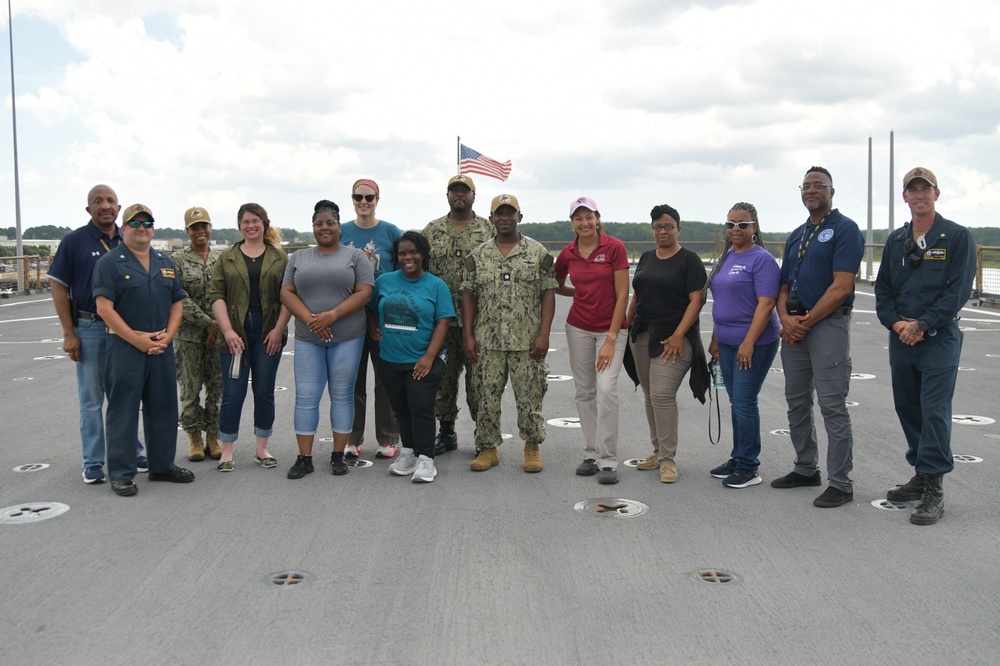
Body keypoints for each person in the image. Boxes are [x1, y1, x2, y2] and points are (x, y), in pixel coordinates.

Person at [875, 167, 976, 525]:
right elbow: (883, 292)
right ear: (905, 196)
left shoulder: (957, 237)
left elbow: (959, 290)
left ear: (936, 194)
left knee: (934, 410)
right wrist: (900, 323)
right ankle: (921, 472)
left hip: (938, 338)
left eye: (925, 189)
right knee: (908, 407)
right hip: (902, 338)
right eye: (912, 190)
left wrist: (924, 323)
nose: (919, 195)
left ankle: (934, 486)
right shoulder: (895, 240)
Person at [772, 166, 864, 508]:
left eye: (818, 186)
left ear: (831, 191)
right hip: (794, 327)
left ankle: (841, 482)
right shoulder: (797, 233)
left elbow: (841, 286)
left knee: (832, 405)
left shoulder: (845, 229)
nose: (811, 190)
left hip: (826, 326)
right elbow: (782, 286)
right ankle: (805, 467)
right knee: (796, 401)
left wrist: (805, 321)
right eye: (806, 185)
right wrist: (784, 317)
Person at [92, 203, 195, 496]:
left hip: (161, 346)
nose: (142, 228)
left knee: (163, 406)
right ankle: (122, 473)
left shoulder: (165, 261)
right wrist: (137, 340)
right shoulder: (110, 263)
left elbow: (177, 301)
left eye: (147, 223)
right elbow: (104, 308)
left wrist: (168, 336)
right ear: (123, 229)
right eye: (135, 224)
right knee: (123, 410)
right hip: (126, 346)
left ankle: (162, 466)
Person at [48, 184, 146, 484]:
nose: (105, 205)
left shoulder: (127, 240)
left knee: (126, 395)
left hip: (123, 329)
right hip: (89, 327)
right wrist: (69, 333)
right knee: (91, 398)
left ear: (119, 209)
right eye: (98, 201)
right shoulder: (74, 242)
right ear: (88, 209)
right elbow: (58, 286)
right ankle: (92, 460)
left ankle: (132, 450)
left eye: (111, 201)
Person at [461, 194, 557, 473]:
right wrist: (468, 334)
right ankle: (489, 448)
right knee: (486, 395)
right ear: (490, 219)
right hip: (487, 340)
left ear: (520, 217)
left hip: (527, 340)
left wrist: (544, 333)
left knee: (530, 396)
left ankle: (532, 446)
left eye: (510, 213)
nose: (505, 218)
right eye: (499, 214)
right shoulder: (477, 256)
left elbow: (548, 293)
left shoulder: (537, 253)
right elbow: (469, 296)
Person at [280, 200, 374, 478]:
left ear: (339, 226)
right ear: (313, 227)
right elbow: (287, 293)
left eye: (330, 222)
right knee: (306, 397)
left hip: (347, 337)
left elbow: (365, 291)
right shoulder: (297, 258)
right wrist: (312, 319)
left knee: (342, 396)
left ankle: (338, 455)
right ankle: (304, 458)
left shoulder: (356, 257)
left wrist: (332, 315)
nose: (324, 227)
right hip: (309, 337)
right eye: (319, 223)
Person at [627, 204, 709, 484]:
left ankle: (668, 460)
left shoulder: (689, 260)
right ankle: (657, 450)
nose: (662, 231)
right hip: (642, 334)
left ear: (678, 228)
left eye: (668, 226)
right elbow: (637, 295)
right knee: (650, 395)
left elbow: (696, 300)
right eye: (657, 227)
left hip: (674, 338)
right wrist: (626, 325)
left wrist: (678, 335)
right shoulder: (648, 257)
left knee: (662, 395)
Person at [208, 203, 291, 472]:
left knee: (264, 390)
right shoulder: (226, 257)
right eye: (245, 221)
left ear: (265, 224)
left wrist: (279, 329)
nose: (250, 225)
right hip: (236, 334)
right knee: (233, 393)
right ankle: (227, 451)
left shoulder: (279, 258)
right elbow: (216, 295)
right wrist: (228, 331)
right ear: (239, 225)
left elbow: (288, 294)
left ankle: (262, 449)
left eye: (255, 220)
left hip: (268, 332)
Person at [555, 197, 630, 485]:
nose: (584, 223)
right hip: (578, 328)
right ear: (572, 222)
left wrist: (611, 337)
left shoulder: (614, 247)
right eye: (578, 218)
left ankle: (608, 459)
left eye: (589, 217)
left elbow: (623, 294)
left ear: (598, 217)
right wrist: (578, 294)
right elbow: (556, 281)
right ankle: (591, 453)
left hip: (611, 330)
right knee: (584, 391)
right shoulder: (568, 252)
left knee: (607, 389)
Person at [369, 231, 455, 483]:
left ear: (423, 254)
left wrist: (429, 357)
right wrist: (372, 325)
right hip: (390, 360)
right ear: (396, 257)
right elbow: (371, 306)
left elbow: (443, 322)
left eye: (413, 252)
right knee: (401, 409)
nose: (408, 257)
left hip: (422, 360)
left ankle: (426, 458)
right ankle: (408, 453)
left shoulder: (436, 285)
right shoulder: (385, 281)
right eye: (402, 253)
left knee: (421, 407)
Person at [706, 202, 781, 488]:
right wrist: (715, 338)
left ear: (754, 227)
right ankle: (738, 457)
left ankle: (750, 467)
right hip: (725, 341)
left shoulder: (761, 259)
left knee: (746, 402)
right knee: (736, 401)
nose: (735, 229)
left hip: (755, 343)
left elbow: (766, 304)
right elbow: (723, 302)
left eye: (742, 224)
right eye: (730, 224)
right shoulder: (726, 256)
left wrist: (748, 342)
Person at [421, 174, 494, 455]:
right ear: (447, 195)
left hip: (478, 323)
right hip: (441, 322)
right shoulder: (433, 230)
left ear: (474, 196)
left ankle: (482, 436)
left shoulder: (488, 231)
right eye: (454, 191)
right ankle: (447, 432)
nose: (459, 195)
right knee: (442, 379)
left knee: (479, 381)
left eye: (465, 191)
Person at [340, 178, 403, 459]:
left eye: (369, 197)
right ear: (352, 200)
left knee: (386, 377)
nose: (363, 202)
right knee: (352, 378)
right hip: (350, 313)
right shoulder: (341, 232)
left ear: (378, 199)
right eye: (358, 197)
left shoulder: (391, 232)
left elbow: (403, 268)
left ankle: (388, 437)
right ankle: (352, 437)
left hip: (384, 313)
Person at [173, 206, 223, 462]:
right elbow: (179, 297)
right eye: (194, 228)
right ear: (187, 231)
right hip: (189, 337)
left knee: (217, 388)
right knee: (190, 389)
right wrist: (207, 322)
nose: (200, 231)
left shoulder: (221, 259)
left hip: (219, 336)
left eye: (204, 226)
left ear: (210, 228)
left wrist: (219, 325)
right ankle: (194, 437)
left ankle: (213, 436)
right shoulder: (177, 261)